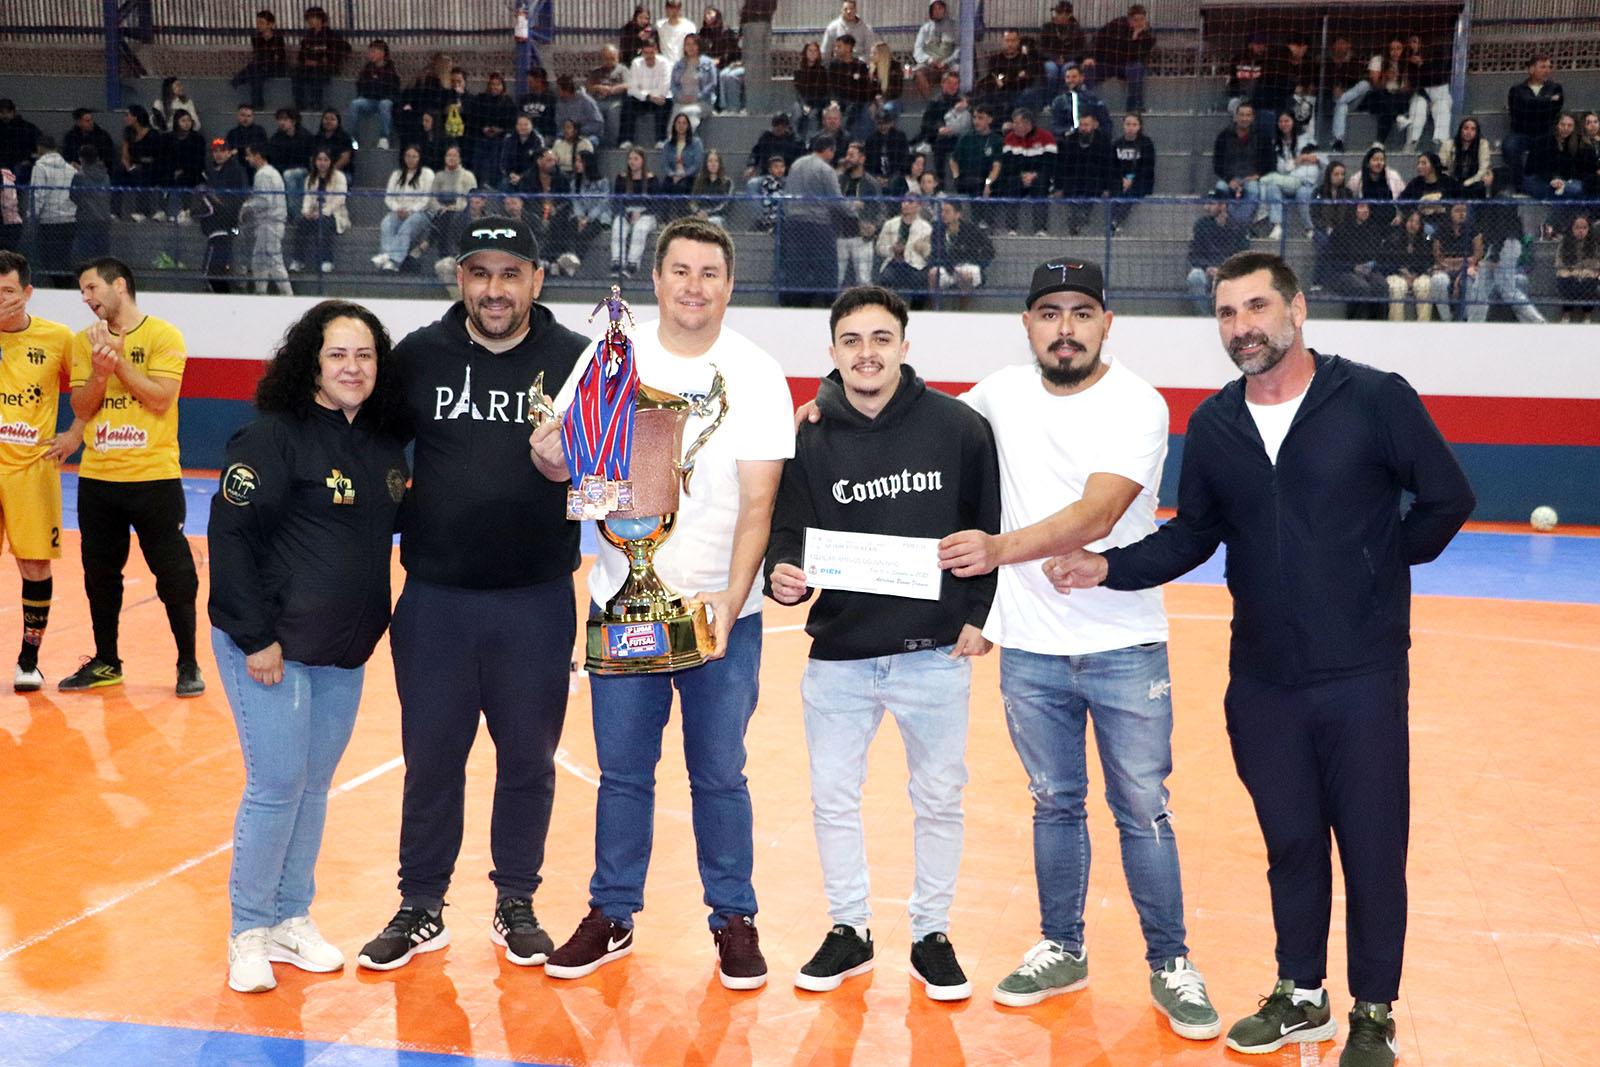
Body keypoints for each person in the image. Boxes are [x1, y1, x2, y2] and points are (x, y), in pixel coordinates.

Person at [1048, 250, 1475, 1066]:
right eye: (1226, 314)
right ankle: (1301, 994)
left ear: (1296, 309)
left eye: (1254, 308)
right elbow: (1193, 534)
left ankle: (1373, 1012)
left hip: (1362, 677)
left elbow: (1449, 499)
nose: (1241, 327)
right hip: (1264, 683)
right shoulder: (1214, 425)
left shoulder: (1375, 398)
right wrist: (1108, 565)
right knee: (1290, 843)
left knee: (1374, 848)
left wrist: (1375, 568)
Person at [926, 259, 1221, 1039]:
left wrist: (995, 550)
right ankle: (1063, 946)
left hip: (1123, 643)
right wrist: (827, 409)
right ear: (1027, 324)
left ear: (1106, 323)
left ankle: (1171, 962)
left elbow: (1097, 513)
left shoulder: (1137, 403)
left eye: (1081, 312)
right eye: (1049, 312)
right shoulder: (998, 392)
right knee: (1054, 803)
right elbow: (921, 426)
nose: (1065, 328)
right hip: (1030, 648)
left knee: (1143, 809)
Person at [540, 217, 793, 990]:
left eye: (708, 272)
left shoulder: (755, 372)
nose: (693, 285)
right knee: (623, 773)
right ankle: (611, 910)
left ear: (728, 283)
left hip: (724, 617)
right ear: (655, 280)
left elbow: (760, 504)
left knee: (720, 773)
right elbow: (567, 464)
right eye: (679, 270)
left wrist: (730, 599)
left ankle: (734, 918)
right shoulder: (609, 355)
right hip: (623, 605)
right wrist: (548, 455)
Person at [355, 215, 590, 973]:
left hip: (535, 598)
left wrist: (569, 469)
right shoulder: (419, 356)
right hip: (436, 600)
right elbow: (363, 443)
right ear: (460, 278)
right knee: (430, 759)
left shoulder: (577, 361)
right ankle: (420, 903)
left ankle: (516, 899)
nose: (495, 289)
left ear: (537, 279)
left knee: (528, 759)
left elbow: (614, 479)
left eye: (510, 272)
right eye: (480, 273)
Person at [767, 284, 998, 1000]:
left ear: (903, 345)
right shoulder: (808, 434)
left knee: (939, 797)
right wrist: (785, 576)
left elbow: (986, 526)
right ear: (833, 352)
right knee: (833, 796)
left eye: (880, 338)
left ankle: (931, 932)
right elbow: (790, 532)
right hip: (840, 652)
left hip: (933, 651)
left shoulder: (959, 426)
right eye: (851, 341)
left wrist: (978, 613)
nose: (867, 353)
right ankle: (850, 930)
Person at [209, 300, 407, 994]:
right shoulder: (272, 437)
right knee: (275, 786)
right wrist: (255, 635)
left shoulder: (383, 446)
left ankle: (293, 915)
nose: (353, 368)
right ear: (311, 363)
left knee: (313, 788)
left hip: (341, 653)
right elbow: (230, 539)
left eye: (365, 356)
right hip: (271, 648)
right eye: (337, 355)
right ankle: (248, 930)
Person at [61, 258, 203, 696]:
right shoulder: (84, 342)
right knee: (99, 574)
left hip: (154, 477)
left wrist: (119, 364)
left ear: (118, 285)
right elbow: (82, 409)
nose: (85, 298)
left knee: (174, 573)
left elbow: (161, 400)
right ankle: (107, 661)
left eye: (90, 288)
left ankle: (188, 664)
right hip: (99, 479)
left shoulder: (164, 336)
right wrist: (102, 371)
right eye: (81, 291)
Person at [0, 252, 81, 692]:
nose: (1, 301)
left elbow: (91, 387)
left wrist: (75, 433)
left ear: (28, 293)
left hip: (30, 469)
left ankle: (29, 659)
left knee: (33, 564)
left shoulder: (57, 338)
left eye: (8, 292)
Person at [780, 135, 856, 307]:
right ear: (829, 150)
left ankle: (796, 303)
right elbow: (836, 200)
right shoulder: (825, 170)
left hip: (794, 222)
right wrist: (854, 209)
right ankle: (828, 303)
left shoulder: (796, 164)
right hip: (817, 224)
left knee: (797, 265)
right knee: (826, 265)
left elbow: (788, 192)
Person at [1465, 166, 1545, 324]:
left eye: (1488, 174)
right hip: (1498, 246)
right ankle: (1474, 324)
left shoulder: (1503, 199)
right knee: (1479, 288)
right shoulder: (1497, 198)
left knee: (1508, 290)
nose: (1484, 177)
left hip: (1505, 246)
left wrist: (1495, 255)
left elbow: (1501, 229)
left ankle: (1537, 322)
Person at [1319, 200, 1393, 320]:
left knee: (1381, 285)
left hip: (1369, 270)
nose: (1366, 210)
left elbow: (1378, 254)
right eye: (1362, 207)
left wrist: (1371, 265)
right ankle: (1354, 323)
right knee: (1361, 287)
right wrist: (1353, 267)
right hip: (1344, 271)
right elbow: (1334, 259)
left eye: (1367, 208)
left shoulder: (1373, 229)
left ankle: (1378, 324)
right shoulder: (1342, 230)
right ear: (1354, 209)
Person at [1503, 55, 1565, 189]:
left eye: (1549, 67)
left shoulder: (1555, 88)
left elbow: (1554, 110)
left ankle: (1544, 183)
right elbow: (1519, 111)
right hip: (1521, 132)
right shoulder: (1517, 89)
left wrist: (1531, 105)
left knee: (1550, 144)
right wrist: (1547, 100)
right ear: (1531, 69)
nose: (1547, 70)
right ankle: (1520, 185)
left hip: (1544, 132)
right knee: (1509, 146)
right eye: (1543, 67)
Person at [1258, 112, 1322, 240]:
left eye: (1287, 121)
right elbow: (1283, 168)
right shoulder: (1276, 143)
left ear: (1293, 121)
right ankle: (1277, 226)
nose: (1284, 124)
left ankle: (1309, 228)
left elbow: (1316, 158)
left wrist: (1300, 159)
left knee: (1302, 193)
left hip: (1305, 181)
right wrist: (1300, 161)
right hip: (1287, 181)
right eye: (1281, 121)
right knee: (1272, 187)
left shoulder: (1305, 138)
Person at [240, 142, 292, 295]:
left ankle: (287, 294)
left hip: (269, 223)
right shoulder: (272, 173)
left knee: (273, 259)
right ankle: (261, 292)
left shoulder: (263, 174)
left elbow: (264, 201)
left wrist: (247, 206)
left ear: (257, 155)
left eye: (249, 155)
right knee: (259, 260)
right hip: (270, 223)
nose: (247, 159)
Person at [1054, 112, 1116, 235]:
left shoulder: (1104, 142)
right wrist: (1058, 187)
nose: (1083, 128)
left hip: (1095, 180)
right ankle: (1076, 217)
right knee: (1071, 188)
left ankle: (1081, 218)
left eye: (1087, 125)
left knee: (1091, 186)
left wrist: (1107, 187)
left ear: (1094, 125)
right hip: (1074, 179)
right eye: (1081, 125)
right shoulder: (1070, 140)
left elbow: (1109, 166)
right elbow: (1062, 166)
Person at [374, 145, 433, 272]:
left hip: (421, 213)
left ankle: (393, 259)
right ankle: (387, 259)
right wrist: (398, 209)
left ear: (420, 158)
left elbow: (426, 199)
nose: (410, 159)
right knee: (386, 223)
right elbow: (389, 197)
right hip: (398, 211)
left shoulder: (427, 174)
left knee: (408, 225)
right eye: (408, 156)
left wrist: (410, 211)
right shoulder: (397, 174)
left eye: (414, 157)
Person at [1187, 193, 1249, 315]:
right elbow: (1194, 254)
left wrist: (1224, 271)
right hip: (1208, 271)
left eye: (1211, 204)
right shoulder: (1201, 225)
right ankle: (1204, 317)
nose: (1206, 207)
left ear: (1223, 206)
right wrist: (1207, 268)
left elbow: (1244, 256)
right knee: (1194, 276)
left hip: (1230, 273)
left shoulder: (1238, 226)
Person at [28, 138, 78, 287]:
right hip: (68, 219)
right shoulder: (70, 168)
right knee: (65, 258)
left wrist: (32, 215)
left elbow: (38, 194)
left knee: (49, 260)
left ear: (40, 148)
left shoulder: (40, 167)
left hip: (49, 220)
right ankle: (66, 287)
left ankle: (60, 287)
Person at [1087, 4, 1155, 113]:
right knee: (1088, 70)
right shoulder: (1116, 24)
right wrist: (1090, 57)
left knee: (1136, 70)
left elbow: (1135, 55)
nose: (1139, 23)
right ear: (1129, 19)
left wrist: (1135, 36)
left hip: (1129, 64)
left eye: (1142, 20)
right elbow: (1097, 38)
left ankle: (1133, 109)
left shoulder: (1148, 35)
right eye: (1135, 20)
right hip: (1108, 63)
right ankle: (1086, 105)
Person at [290, 148, 347, 274]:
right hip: (313, 213)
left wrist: (322, 212)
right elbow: (307, 198)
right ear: (315, 161)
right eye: (319, 159)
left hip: (333, 213)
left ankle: (327, 260)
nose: (322, 163)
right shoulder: (310, 178)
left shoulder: (339, 177)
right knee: (302, 223)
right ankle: (298, 261)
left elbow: (340, 199)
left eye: (325, 160)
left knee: (324, 223)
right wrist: (306, 212)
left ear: (331, 162)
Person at [1212, 102, 1271, 225]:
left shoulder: (1262, 136)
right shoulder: (1224, 136)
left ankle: (1238, 223)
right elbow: (1217, 164)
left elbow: (1270, 161)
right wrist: (1229, 180)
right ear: (1236, 117)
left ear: (1253, 117)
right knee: (1221, 187)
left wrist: (1258, 175)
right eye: (1242, 115)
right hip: (1230, 178)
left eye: (1248, 115)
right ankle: (1227, 223)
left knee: (1254, 190)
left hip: (1251, 179)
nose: (1245, 118)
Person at [1000, 108, 1056, 236]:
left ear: (1027, 123)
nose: (1013, 126)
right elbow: (1008, 164)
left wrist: (1033, 175)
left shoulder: (1046, 137)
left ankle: (1040, 229)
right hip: (1019, 176)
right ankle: (1011, 228)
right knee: (1011, 183)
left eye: (1016, 122)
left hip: (1039, 176)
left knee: (1041, 184)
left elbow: (1050, 163)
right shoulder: (1009, 138)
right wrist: (1022, 175)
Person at [926, 198, 994, 303]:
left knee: (966, 276)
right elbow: (935, 253)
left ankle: (962, 311)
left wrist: (978, 264)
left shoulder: (971, 230)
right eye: (942, 211)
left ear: (957, 214)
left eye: (947, 211)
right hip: (946, 266)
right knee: (933, 274)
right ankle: (934, 309)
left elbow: (989, 251)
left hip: (967, 264)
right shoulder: (937, 230)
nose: (943, 214)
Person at [609, 145, 660, 277]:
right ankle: (617, 262)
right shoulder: (621, 178)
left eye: (636, 158)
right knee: (618, 224)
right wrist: (626, 214)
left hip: (647, 215)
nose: (632, 161)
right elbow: (616, 201)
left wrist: (641, 214)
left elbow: (656, 204)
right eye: (630, 158)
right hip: (627, 213)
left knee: (640, 228)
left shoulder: (652, 179)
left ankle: (632, 264)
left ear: (642, 160)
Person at [1380, 210, 1441, 321]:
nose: (1413, 225)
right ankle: (1396, 326)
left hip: (1417, 274)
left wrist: (1416, 274)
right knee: (1397, 287)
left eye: (1417, 223)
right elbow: (1386, 262)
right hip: (1397, 274)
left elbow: (1428, 261)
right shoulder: (1393, 237)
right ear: (1405, 222)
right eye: (1411, 221)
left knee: (1425, 285)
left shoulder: (1425, 239)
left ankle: (1423, 327)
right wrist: (1403, 274)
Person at [835, 143, 881, 287]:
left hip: (861, 237)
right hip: (840, 235)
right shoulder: (839, 180)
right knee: (837, 278)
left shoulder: (871, 183)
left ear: (862, 159)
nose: (848, 158)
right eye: (847, 155)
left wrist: (874, 226)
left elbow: (880, 209)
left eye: (852, 155)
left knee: (864, 279)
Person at [875, 196, 933, 307]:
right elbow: (879, 247)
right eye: (904, 201)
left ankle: (918, 313)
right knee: (885, 280)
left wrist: (922, 248)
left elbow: (929, 252)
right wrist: (891, 249)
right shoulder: (890, 224)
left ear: (918, 206)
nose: (905, 204)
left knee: (920, 282)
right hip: (893, 263)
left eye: (910, 202)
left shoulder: (926, 227)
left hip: (914, 264)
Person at [1399, 33, 1451, 151]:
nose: (1412, 45)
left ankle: (1442, 146)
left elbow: (1437, 77)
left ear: (1421, 44)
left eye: (1414, 42)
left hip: (1440, 94)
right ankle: (1410, 145)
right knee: (1418, 108)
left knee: (1442, 108)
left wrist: (1421, 64)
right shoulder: (1408, 61)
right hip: (1422, 95)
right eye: (1410, 42)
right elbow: (1415, 85)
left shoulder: (1435, 57)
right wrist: (1428, 100)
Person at [293, 5, 348, 113]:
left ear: (320, 19)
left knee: (316, 73)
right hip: (309, 67)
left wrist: (323, 61)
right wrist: (305, 61)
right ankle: (299, 104)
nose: (309, 21)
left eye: (312, 18)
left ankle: (317, 103)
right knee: (296, 74)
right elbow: (301, 54)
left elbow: (344, 48)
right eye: (308, 18)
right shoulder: (308, 36)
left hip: (324, 67)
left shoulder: (331, 35)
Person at [1522, 112, 1587, 200]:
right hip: (1538, 177)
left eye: (1570, 125)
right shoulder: (1544, 140)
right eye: (1562, 124)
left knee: (1577, 188)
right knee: (1546, 190)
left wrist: (1562, 181)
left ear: (1574, 127)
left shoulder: (1578, 142)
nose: (1565, 128)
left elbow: (1576, 168)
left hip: (1564, 179)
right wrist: (1552, 180)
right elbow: (1538, 167)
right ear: (1557, 124)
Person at [231, 10, 289, 111]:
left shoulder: (278, 38)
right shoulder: (256, 37)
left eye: (261, 23)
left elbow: (279, 57)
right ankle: (258, 104)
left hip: (275, 67)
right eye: (257, 23)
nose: (258, 25)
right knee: (256, 74)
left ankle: (239, 79)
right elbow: (259, 54)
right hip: (261, 66)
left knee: (255, 71)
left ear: (270, 24)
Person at [347, 39, 399, 150]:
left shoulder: (390, 70)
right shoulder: (367, 69)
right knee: (355, 104)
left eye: (373, 51)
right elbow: (361, 85)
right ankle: (353, 139)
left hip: (385, 100)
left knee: (385, 105)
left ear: (382, 53)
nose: (370, 54)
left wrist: (375, 86)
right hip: (370, 100)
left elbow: (391, 89)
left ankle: (384, 138)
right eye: (370, 51)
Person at [624, 38, 673, 148]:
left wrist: (650, 94)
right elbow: (632, 89)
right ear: (642, 52)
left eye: (652, 52)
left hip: (659, 99)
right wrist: (647, 96)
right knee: (628, 102)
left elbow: (665, 86)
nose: (649, 56)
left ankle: (660, 140)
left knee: (665, 102)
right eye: (646, 53)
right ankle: (626, 139)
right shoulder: (636, 63)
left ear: (656, 50)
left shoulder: (665, 63)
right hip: (644, 99)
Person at [1110, 112, 1155, 230]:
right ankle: (1113, 221)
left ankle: (1116, 221)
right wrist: (1122, 179)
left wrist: (1131, 179)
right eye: (1128, 124)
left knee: (1129, 193)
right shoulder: (1117, 144)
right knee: (1115, 191)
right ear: (1123, 125)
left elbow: (1148, 166)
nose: (1131, 127)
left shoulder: (1146, 143)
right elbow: (1112, 166)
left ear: (1139, 126)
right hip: (1120, 180)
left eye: (1134, 124)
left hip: (1140, 181)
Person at [981, 30, 1044, 114]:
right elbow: (996, 76)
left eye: (1013, 41)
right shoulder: (995, 59)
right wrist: (1016, 75)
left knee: (1029, 93)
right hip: (1001, 92)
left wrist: (1005, 77)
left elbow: (1029, 78)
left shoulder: (1026, 58)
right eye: (1007, 41)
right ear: (1002, 41)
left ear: (1018, 42)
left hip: (1020, 92)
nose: (1010, 44)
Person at [1554, 213, 1600, 323]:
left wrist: (1584, 271)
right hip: (1570, 275)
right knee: (1565, 280)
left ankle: (1587, 317)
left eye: (1584, 228)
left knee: (1589, 282)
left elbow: (1596, 263)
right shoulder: (1564, 243)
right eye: (1577, 228)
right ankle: (1566, 316)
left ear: (1589, 229)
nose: (1581, 231)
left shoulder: (1593, 244)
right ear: (1571, 229)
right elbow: (1559, 262)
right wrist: (1574, 271)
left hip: (1587, 275)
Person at [698, 6, 744, 114]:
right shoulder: (703, 33)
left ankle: (721, 105)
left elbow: (731, 52)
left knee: (721, 74)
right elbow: (701, 52)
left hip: (727, 63)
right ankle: (706, 104)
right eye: (705, 14)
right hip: (708, 64)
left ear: (717, 15)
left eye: (710, 13)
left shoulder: (726, 32)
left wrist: (719, 60)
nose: (707, 16)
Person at [670, 34, 719, 132]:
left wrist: (697, 97)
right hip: (682, 101)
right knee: (677, 116)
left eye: (694, 44)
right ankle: (674, 142)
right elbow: (673, 85)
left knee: (688, 113)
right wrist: (680, 97)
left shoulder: (707, 63)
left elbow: (712, 84)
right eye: (687, 44)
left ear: (699, 46)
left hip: (702, 102)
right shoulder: (679, 64)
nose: (690, 47)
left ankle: (686, 140)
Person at [1039, 2, 1090, 98]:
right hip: (1051, 59)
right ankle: (1049, 101)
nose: (1060, 16)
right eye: (1058, 13)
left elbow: (1082, 50)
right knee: (1051, 70)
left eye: (1064, 13)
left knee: (1068, 70)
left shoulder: (1076, 29)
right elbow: (1041, 48)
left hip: (1069, 60)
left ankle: (1064, 98)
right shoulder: (1047, 27)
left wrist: (1066, 58)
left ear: (1069, 15)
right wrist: (1054, 58)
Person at [1048, 64, 1110, 141]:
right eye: (1068, 77)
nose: (1070, 80)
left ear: (1082, 78)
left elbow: (1106, 124)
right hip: (1069, 142)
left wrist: (1093, 130)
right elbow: (1055, 127)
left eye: (1074, 77)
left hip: (1092, 141)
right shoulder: (1059, 101)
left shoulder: (1093, 99)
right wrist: (1071, 131)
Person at [1347, 146, 1404, 226]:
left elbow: (1403, 198)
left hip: (1391, 222)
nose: (1379, 163)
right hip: (1367, 224)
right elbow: (1350, 199)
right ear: (1368, 163)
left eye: (1381, 160)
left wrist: (1400, 215)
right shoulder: (1357, 179)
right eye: (1375, 160)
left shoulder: (1393, 176)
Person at [913, 1, 960, 96]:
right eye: (934, 8)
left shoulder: (954, 26)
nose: (937, 11)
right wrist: (929, 60)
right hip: (929, 65)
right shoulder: (925, 28)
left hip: (949, 64)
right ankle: (931, 102)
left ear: (944, 9)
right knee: (918, 73)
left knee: (957, 70)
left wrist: (946, 61)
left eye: (940, 8)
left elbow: (960, 47)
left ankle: (950, 103)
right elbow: (917, 50)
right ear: (931, 11)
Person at [588, 44, 631, 146]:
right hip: (599, 100)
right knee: (593, 111)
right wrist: (598, 87)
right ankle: (595, 142)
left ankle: (611, 145)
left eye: (613, 58)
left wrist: (614, 89)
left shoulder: (622, 69)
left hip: (615, 100)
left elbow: (629, 84)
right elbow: (588, 87)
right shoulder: (596, 71)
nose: (610, 61)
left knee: (613, 112)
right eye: (607, 59)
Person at [743, 113, 803, 184]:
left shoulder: (795, 141)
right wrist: (751, 166)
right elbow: (755, 152)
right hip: (766, 174)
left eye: (782, 126)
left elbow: (800, 161)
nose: (779, 128)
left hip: (787, 176)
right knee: (752, 183)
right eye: (776, 125)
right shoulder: (766, 137)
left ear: (786, 127)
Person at [1438, 117, 1490, 198]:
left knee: (1479, 186)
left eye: (1473, 129)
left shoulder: (1483, 144)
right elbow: (1442, 166)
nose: (1469, 132)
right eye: (1466, 128)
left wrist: (1467, 182)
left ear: (1477, 132)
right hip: (1454, 179)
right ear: (1460, 130)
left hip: (1474, 180)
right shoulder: (1448, 144)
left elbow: (1483, 169)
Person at [62, 109, 117, 177]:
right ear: (79, 122)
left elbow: (108, 157)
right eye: (87, 121)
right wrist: (73, 164)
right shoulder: (70, 137)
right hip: (76, 172)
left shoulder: (102, 135)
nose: (91, 123)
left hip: (99, 172)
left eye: (91, 120)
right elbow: (66, 156)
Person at [794, 41, 830, 140]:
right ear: (805, 52)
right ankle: (797, 138)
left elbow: (824, 91)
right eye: (810, 50)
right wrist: (804, 105)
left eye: (815, 51)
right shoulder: (799, 71)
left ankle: (811, 141)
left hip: (818, 103)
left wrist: (813, 106)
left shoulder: (822, 71)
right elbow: (798, 91)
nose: (813, 53)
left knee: (813, 115)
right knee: (797, 112)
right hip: (803, 101)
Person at [553, 74, 604, 145]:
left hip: (588, 135)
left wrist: (577, 131)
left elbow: (598, 124)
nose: (556, 90)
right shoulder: (559, 104)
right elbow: (559, 124)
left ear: (566, 90)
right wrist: (565, 133)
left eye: (558, 88)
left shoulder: (586, 100)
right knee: (558, 143)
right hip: (567, 136)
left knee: (587, 143)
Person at [864, 108, 911, 182]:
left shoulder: (900, 136)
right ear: (876, 123)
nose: (883, 126)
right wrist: (876, 177)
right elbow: (868, 163)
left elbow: (904, 160)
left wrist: (891, 178)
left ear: (891, 123)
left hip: (896, 177)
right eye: (879, 123)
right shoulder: (871, 139)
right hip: (875, 178)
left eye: (885, 123)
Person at [689, 149, 733, 226]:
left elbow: (726, 204)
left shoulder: (727, 182)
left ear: (720, 164)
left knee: (713, 221)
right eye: (710, 161)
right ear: (706, 164)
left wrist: (708, 214)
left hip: (718, 217)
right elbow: (692, 201)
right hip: (699, 215)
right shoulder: (699, 181)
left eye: (716, 161)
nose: (713, 164)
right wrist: (698, 212)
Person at [500, 114, 544, 190]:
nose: (523, 127)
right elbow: (504, 162)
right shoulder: (509, 139)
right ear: (516, 126)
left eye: (526, 124)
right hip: (512, 175)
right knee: (504, 185)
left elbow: (538, 164)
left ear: (532, 125)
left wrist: (522, 176)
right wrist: (511, 174)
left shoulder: (538, 140)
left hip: (531, 176)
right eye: (520, 124)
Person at [656, 0, 693, 65]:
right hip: (665, 66)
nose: (674, 11)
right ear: (666, 9)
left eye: (677, 8)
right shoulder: (660, 26)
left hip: (683, 64)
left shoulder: (689, 27)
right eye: (671, 8)